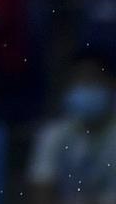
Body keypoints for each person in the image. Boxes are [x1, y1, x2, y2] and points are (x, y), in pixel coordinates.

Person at [31, 57, 116, 204]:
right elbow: (40, 192)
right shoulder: (53, 133)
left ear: (111, 84)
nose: (86, 86)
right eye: (80, 81)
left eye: (93, 79)